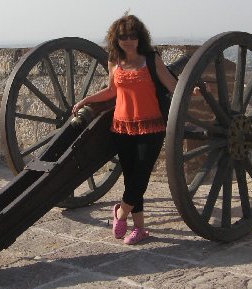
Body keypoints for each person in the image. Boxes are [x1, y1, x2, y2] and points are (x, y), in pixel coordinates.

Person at [72, 13, 177, 245]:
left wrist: (191, 91)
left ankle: (120, 213)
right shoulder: (115, 60)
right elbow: (111, 90)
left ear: (140, 38)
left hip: (151, 126)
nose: (128, 41)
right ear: (116, 39)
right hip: (122, 127)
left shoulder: (151, 59)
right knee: (131, 178)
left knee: (141, 176)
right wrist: (86, 101)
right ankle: (139, 229)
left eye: (132, 36)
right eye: (123, 37)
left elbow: (172, 85)